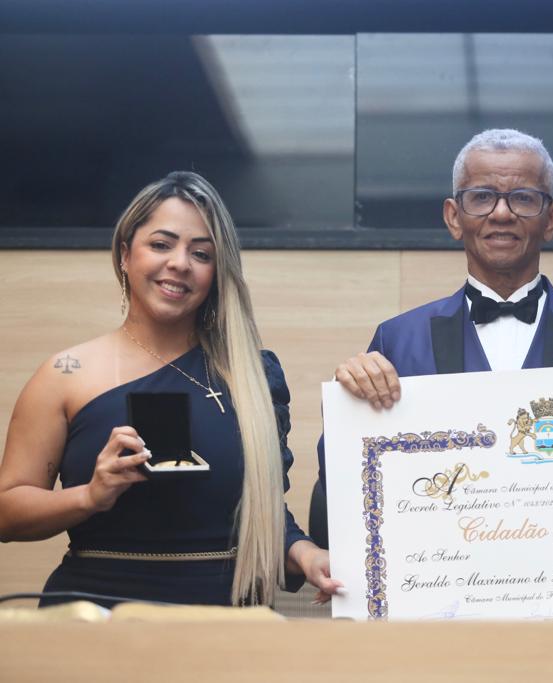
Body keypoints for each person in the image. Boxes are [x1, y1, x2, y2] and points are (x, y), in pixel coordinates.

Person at [0, 171, 341, 607]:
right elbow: (8, 512)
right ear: (125, 255)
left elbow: (263, 513)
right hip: (94, 619)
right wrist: (90, 495)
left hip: (224, 624)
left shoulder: (254, 376)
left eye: (201, 253)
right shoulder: (66, 373)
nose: (180, 263)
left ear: (216, 273)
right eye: (161, 245)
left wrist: (307, 554)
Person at [318, 128, 553, 494]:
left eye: (524, 198)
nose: (501, 213)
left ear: (551, 219)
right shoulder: (397, 341)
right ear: (454, 217)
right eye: (482, 197)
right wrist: (346, 403)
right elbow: (344, 484)